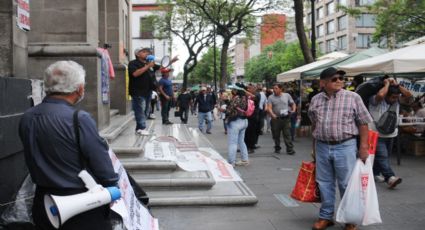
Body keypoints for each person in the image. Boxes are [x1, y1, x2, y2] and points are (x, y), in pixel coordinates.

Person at [19, 61, 119, 230]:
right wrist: (112, 187)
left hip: (43, 201)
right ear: (79, 88)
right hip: (82, 204)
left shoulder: (27, 117)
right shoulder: (79, 118)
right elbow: (100, 162)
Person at [308, 67, 372, 230]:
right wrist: (314, 148)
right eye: (334, 79)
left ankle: (350, 218)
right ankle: (326, 216)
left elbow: (363, 123)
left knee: (347, 183)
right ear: (323, 82)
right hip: (322, 146)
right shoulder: (315, 100)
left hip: (346, 146)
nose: (339, 81)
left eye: (341, 78)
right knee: (324, 183)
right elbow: (314, 124)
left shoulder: (353, 97)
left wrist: (364, 147)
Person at [368, 78, 411, 188]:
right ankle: (390, 177)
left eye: (396, 97)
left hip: (391, 133)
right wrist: (387, 84)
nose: (394, 99)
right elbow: (381, 96)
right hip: (376, 133)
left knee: (383, 155)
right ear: (387, 94)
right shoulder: (374, 100)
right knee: (383, 155)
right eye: (392, 97)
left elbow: (408, 95)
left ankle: (376, 173)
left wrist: (397, 85)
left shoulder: (397, 101)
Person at [128, 47, 160, 135]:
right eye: (144, 52)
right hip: (137, 91)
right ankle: (141, 127)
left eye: (148, 52)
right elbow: (135, 74)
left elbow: (162, 66)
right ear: (138, 54)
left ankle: (140, 128)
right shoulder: (133, 63)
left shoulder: (148, 63)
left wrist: (171, 61)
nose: (147, 53)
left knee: (146, 110)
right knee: (139, 110)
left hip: (148, 91)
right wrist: (147, 67)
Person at [267, 83, 296, 155]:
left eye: (276, 88)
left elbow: (293, 103)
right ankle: (277, 147)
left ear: (280, 89)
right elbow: (269, 108)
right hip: (276, 119)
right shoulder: (271, 97)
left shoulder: (287, 95)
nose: (274, 90)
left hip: (286, 118)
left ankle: (290, 149)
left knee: (287, 134)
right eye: (274, 88)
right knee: (276, 135)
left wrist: (293, 110)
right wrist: (272, 114)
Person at [226, 86, 249, 166]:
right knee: (241, 141)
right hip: (245, 121)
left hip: (235, 121)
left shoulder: (237, 98)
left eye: (234, 89)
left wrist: (224, 108)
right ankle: (245, 159)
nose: (233, 91)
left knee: (233, 143)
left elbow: (229, 110)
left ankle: (231, 162)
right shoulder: (246, 98)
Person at [244, 84, 261, 153]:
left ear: (254, 88)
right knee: (246, 132)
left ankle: (251, 147)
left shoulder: (257, 94)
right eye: (248, 88)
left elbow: (254, 98)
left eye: (250, 88)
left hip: (254, 116)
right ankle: (245, 146)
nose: (248, 89)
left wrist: (246, 92)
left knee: (251, 132)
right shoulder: (248, 95)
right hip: (247, 116)